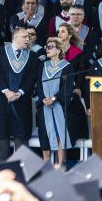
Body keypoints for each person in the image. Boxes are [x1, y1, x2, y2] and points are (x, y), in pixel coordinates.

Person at [0, 28, 38, 159]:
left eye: (28, 37)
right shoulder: (0, 52)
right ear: (15, 37)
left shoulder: (32, 56)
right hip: (3, 100)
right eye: (24, 37)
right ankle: (4, 168)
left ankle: (22, 169)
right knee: (3, 134)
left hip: (22, 100)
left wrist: (21, 92)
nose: (28, 39)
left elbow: (32, 77)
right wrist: (6, 91)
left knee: (21, 135)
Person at [35, 38, 72, 166]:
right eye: (47, 47)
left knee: (59, 133)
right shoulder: (42, 66)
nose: (47, 49)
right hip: (44, 105)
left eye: (50, 47)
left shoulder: (67, 66)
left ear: (59, 50)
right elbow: (38, 85)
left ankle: (60, 164)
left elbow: (67, 88)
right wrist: (43, 98)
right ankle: (46, 164)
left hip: (59, 106)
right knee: (45, 134)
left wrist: (54, 98)